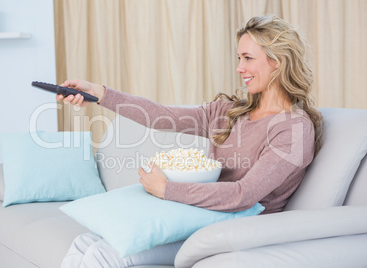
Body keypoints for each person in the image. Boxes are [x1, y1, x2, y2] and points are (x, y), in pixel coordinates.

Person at [59, 14, 323, 268]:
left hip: (235, 232)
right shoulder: (228, 112)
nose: (239, 68)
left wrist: (166, 190)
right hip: (198, 217)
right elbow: (162, 116)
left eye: (248, 58)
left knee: (104, 255)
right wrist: (100, 93)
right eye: (239, 57)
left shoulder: (293, 129)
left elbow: (244, 194)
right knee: (85, 243)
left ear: (277, 61)